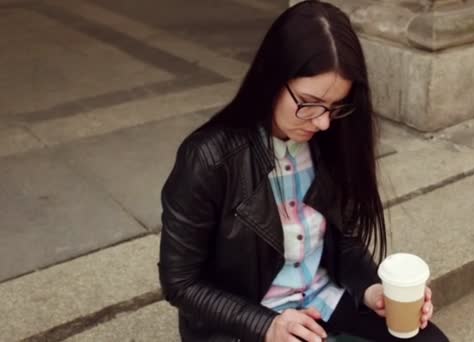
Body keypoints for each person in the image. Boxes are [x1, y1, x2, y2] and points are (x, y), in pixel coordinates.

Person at [158, 1, 449, 341]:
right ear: (273, 78)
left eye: (335, 107)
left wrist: (373, 291)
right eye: (309, 104)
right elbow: (180, 282)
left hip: (324, 299)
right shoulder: (208, 158)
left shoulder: (330, 140)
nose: (323, 121)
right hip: (250, 320)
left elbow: (345, 240)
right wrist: (266, 325)